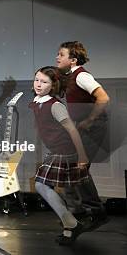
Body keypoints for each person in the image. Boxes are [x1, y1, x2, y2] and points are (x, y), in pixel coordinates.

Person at [29, 66, 91, 245]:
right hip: (54, 150)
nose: (39, 84)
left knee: (41, 185)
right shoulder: (37, 101)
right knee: (49, 187)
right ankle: (69, 228)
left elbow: (72, 129)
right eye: (37, 80)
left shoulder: (55, 105)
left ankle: (71, 222)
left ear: (54, 85)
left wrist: (82, 156)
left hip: (64, 150)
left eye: (44, 82)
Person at [56, 41, 110, 229]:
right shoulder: (70, 77)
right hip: (82, 128)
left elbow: (103, 97)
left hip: (94, 128)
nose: (57, 57)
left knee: (79, 167)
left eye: (61, 55)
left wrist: (90, 120)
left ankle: (96, 211)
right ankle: (78, 211)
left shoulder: (82, 76)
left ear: (72, 59)